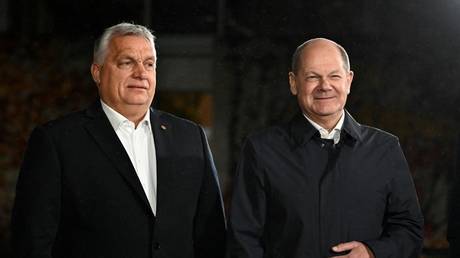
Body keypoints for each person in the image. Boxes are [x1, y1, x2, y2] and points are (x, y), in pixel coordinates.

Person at [11, 22, 226, 258]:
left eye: (149, 64)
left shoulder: (190, 137)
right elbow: (32, 242)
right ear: (97, 72)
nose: (141, 73)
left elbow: (212, 236)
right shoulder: (56, 141)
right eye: (127, 62)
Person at [226, 38, 424, 258]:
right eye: (312, 77)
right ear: (293, 83)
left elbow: (409, 230)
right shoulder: (262, 150)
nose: (325, 86)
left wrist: (372, 252)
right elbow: (243, 239)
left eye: (334, 76)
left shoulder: (385, 149)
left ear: (348, 81)